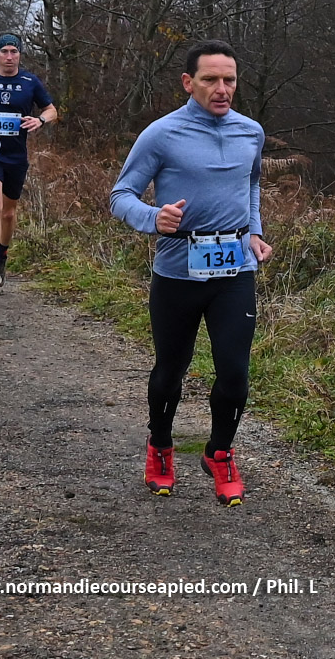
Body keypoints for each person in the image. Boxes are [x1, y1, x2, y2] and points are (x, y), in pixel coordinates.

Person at [110, 39, 272, 506]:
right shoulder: (161, 134)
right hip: (178, 272)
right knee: (170, 371)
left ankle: (219, 453)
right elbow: (120, 195)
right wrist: (152, 217)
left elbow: (251, 184)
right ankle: (160, 446)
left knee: (235, 372)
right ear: (188, 82)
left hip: (234, 269)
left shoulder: (251, 132)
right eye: (210, 79)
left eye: (229, 80)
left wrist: (254, 231)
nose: (222, 89)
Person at [0, 33, 57, 295]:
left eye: (14, 51)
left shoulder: (30, 82)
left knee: (8, 212)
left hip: (16, 155)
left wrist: (40, 120)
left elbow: (51, 109)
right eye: (4, 51)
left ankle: (2, 259)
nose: (9, 56)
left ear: (19, 54)